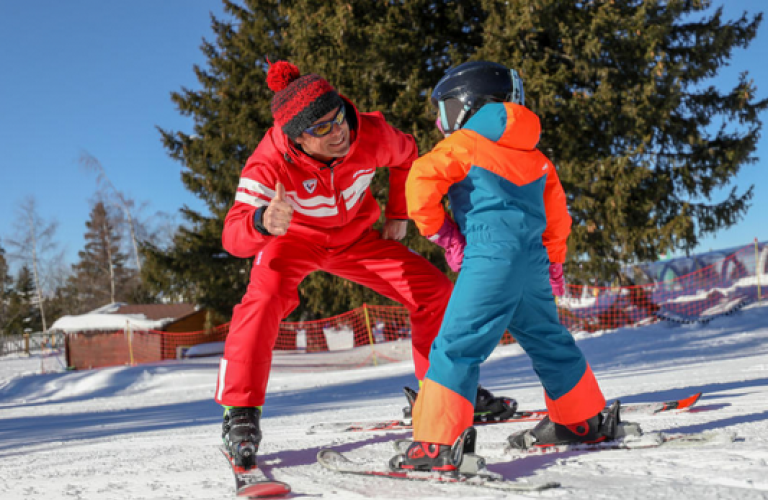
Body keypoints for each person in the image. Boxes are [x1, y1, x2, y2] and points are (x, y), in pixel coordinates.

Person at [215, 61, 512, 469]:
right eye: (320, 129)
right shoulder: (269, 163)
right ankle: (240, 413)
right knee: (262, 302)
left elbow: (409, 155)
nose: (337, 132)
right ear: (296, 138)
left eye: (336, 118)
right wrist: (261, 220)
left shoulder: (367, 132)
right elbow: (232, 235)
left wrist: (398, 212)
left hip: (356, 239)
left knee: (434, 291)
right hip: (293, 241)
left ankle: (441, 390)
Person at [392, 61, 615, 473]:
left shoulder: (464, 144)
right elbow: (558, 216)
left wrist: (445, 234)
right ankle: (580, 420)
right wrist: (554, 261)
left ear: (465, 106)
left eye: (444, 112)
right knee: (549, 339)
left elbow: (421, 180)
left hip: (489, 256)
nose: (442, 123)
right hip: (532, 262)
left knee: (457, 345)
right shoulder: (537, 158)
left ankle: (435, 445)